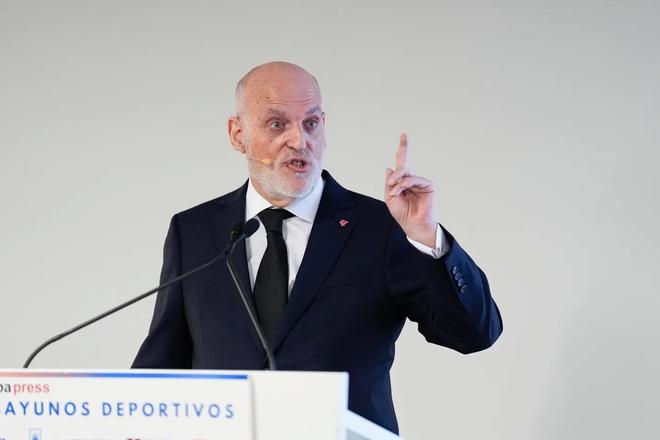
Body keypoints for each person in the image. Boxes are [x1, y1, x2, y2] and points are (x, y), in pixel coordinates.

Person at [132, 61, 503, 433]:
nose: (299, 141)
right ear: (237, 134)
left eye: (310, 123)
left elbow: (474, 334)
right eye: (277, 124)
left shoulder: (381, 227)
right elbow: (163, 361)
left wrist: (426, 236)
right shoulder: (194, 232)